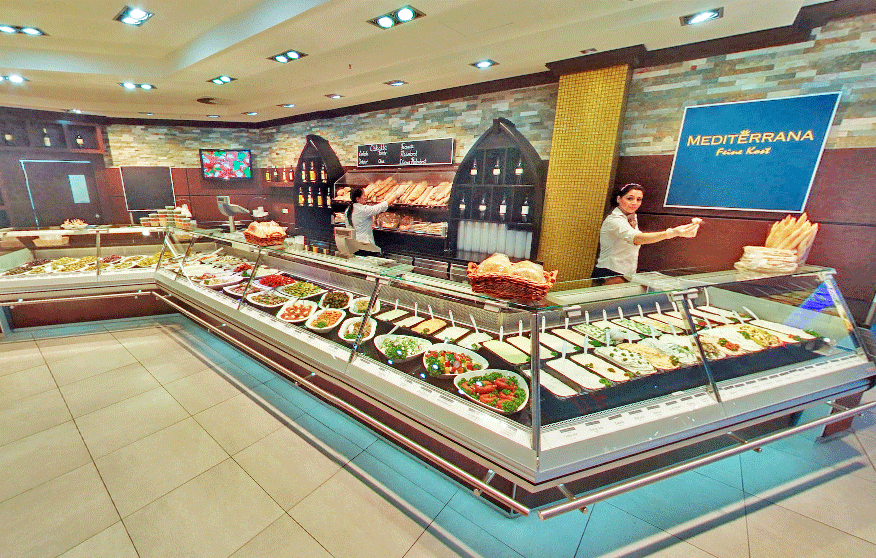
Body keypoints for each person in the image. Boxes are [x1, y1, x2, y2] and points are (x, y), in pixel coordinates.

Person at [593, 183, 701, 285]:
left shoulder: (631, 216)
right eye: (630, 198)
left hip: (626, 273)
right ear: (618, 199)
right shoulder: (614, 220)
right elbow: (637, 239)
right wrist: (672, 232)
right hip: (610, 272)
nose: (634, 203)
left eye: (638, 199)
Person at [344, 186, 401, 256]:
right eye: (364, 195)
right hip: (364, 245)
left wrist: (367, 225)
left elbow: (352, 225)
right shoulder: (363, 209)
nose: (366, 197)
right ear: (357, 199)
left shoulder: (348, 210)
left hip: (354, 244)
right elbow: (380, 207)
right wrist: (396, 195)